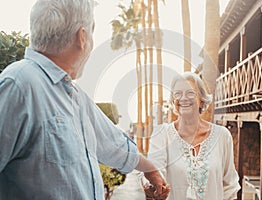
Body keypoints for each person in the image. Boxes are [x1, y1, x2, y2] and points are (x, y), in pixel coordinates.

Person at [0, 0, 170, 199]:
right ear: (82, 37)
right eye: (92, 30)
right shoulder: (18, 84)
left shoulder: (74, 95)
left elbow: (112, 144)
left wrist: (151, 171)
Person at [147, 72, 240, 199]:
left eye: (190, 93)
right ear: (173, 101)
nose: (183, 98)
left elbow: (230, 186)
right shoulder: (162, 135)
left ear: (202, 100)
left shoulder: (222, 136)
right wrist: (153, 185)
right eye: (178, 94)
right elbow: (155, 170)